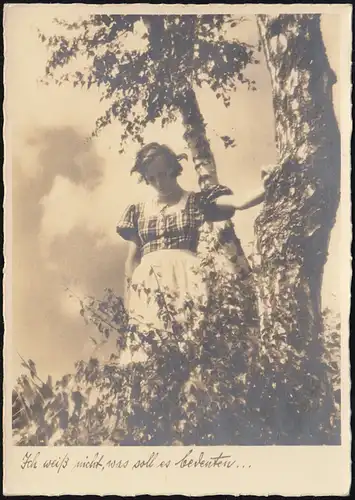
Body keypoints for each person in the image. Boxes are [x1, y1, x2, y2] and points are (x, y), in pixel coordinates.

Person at [116, 142, 267, 338]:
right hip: (148, 283)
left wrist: (267, 184)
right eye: (152, 178)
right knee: (151, 339)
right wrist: (130, 299)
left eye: (162, 174)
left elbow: (240, 202)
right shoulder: (137, 212)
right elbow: (132, 260)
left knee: (190, 335)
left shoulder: (196, 201)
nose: (159, 183)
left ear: (172, 168)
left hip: (187, 278)